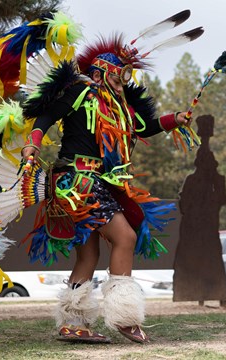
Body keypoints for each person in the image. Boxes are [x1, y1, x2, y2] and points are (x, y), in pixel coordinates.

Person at [18, 37, 192, 344]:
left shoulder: (119, 108)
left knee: (89, 256)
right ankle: (123, 316)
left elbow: (142, 127)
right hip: (75, 180)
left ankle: (73, 324)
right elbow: (46, 116)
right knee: (125, 237)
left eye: (125, 78)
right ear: (98, 74)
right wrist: (32, 142)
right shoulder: (80, 92)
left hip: (91, 182)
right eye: (117, 76)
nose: (123, 83)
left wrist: (173, 120)